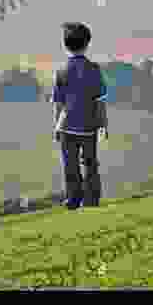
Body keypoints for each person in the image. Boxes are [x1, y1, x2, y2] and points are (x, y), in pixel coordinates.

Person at [52, 22, 108, 209]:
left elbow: (59, 104)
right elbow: (100, 100)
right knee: (91, 164)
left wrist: (57, 126)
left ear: (65, 45)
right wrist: (103, 125)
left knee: (70, 165)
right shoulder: (94, 69)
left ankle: (73, 199)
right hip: (89, 126)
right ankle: (92, 199)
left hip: (67, 126)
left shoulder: (61, 71)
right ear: (87, 44)